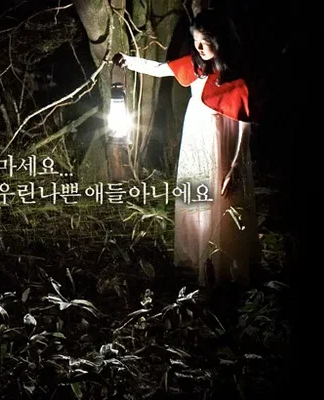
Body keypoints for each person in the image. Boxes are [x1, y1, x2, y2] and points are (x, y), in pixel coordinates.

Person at [112, 9, 260, 288]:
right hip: (196, 137)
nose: (199, 48)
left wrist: (236, 164)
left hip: (221, 140)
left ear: (221, 41)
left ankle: (223, 266)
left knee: (221, 197)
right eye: (196, 42)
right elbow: (160, 69)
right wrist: (129, 61)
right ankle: (199, 259)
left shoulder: (235, 76)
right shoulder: (196, 65)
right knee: (198, 193)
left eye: (205, 42)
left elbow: (244, 122)